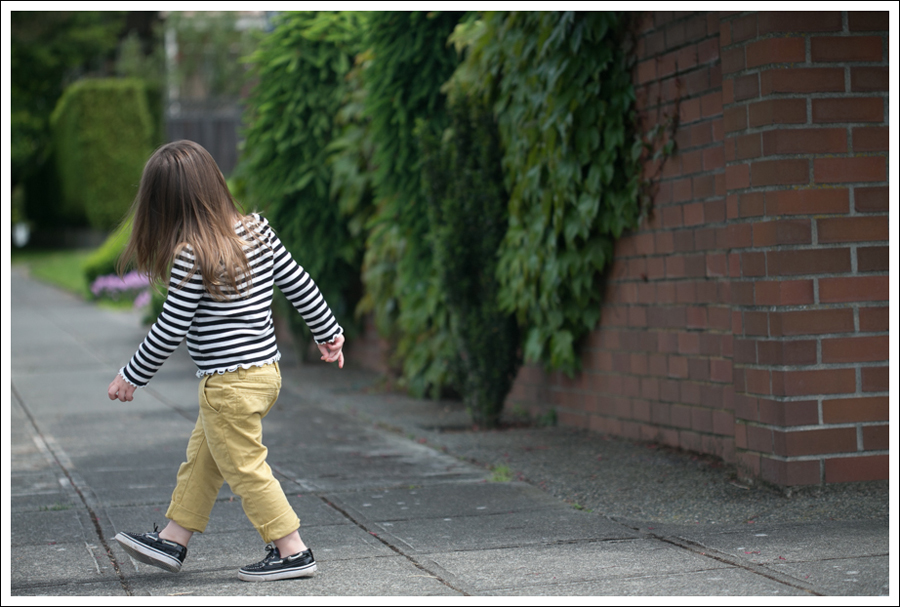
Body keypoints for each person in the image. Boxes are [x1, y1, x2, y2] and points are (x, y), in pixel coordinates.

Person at [107, 140, 345, 582]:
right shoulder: (257, 231)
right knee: (205, 457)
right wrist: (328, 331)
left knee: (245, 467)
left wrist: (131, 376)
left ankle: (292, 549)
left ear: (168, 205)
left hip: (228, 385)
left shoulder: (191, 254)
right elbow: (299, 283)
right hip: (265, 374)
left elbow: (169, 329)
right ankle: (174, 540)